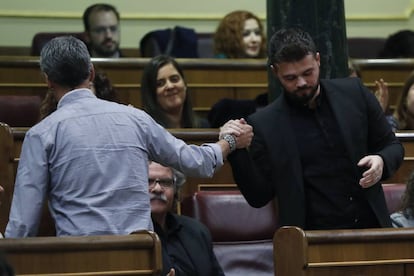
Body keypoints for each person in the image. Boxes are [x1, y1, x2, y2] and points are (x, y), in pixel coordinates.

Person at [5, 36, 252, 237]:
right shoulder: (136, 118)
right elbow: (195, 162)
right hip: (141, 258)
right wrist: (229, 141)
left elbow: (23, 225)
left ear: (48, 80)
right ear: (91, 73)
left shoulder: (40, 135)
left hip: (79, 260)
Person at [223, 27, 404, 230]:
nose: (301, 83)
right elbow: (258, 196)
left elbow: (393, 146)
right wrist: (236, 150)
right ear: (275, 72)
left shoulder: (355, 93)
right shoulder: (265, 124)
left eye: (308, 73)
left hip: (371, 228)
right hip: (310, 241)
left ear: (318, 60)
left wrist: (381, 160)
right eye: (290, 78)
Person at [149, 161, 224, 276]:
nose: (158, 189)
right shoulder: (127, 236)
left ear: (175, 190)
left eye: (166, 182)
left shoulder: (197, 231)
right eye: (149, 182)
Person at [141, 55, 209, 128]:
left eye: (174, 79)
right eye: (160, 84)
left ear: (185, 84)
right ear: (151, 94)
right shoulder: (146, 129)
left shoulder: (203, 126)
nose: (170, 86)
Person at [39, 70, 118, 120]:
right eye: (71, 90)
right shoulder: (50, 125)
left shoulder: (114, 117)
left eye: (85, 90)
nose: (78, 95)